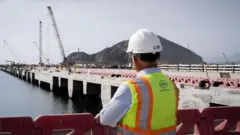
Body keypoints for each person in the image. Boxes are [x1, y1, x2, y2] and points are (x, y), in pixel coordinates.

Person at [95, 29, 179, 135]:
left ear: (134, 59)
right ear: (157, 56)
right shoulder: (172, 86)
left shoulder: (131, 88)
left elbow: (105, 118)